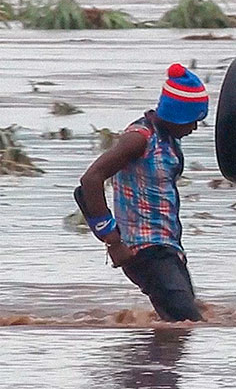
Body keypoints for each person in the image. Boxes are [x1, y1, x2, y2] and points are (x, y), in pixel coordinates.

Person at [78, 64, 208, 322]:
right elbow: (90, 181)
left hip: (168, 249)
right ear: (177, 115)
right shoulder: (139, 138)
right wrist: (112, 241)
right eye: (192, 120)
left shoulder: (168, 140)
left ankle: (149, 363)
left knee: (179, 327)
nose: (194, 127)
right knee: (188, 322)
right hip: (144, 251)